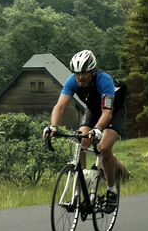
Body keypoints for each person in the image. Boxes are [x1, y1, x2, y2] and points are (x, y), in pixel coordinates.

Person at [42, 50, 126, 213]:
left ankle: (111, 190)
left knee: (104, 148)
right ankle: (77, 192)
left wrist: (98, 129)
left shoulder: (105, 80)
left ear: (93, 71)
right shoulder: (72, 81)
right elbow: (59, 107)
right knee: (81, 141)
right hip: (93, 110)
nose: (80, 77)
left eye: (84, 73)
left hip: (113, 112)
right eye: (77, 73)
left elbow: (107, 112)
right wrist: (53, 126)